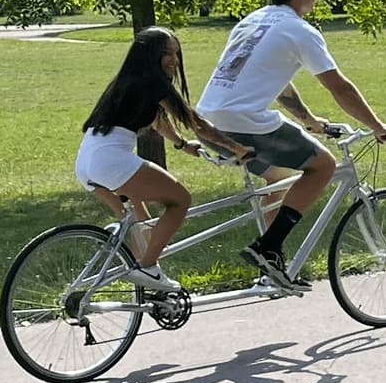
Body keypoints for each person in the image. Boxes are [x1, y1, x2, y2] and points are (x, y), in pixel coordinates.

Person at [197, 0, 386, 292]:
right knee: (323, 166)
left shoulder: (253, 20)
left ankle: (270, 268)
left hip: (207, 121)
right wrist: (377, 126)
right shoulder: (300, 31)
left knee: (277, 179)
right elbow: (339, 87)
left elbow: (276, 83)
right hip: (243, 121)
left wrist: (309, 121)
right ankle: (267, 247)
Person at [75, 27, 254, 293]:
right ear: (150, 55)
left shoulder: (126, 81)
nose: (174, 60)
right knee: (180, 200)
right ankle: (148, 268)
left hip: (87, 161)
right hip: (111, 161)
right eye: (167, 53)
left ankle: (147, 288)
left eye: (176, 53)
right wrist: (237, 148)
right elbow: (196, 123)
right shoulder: (154, 82)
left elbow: (158, 121)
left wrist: (181, 144)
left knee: (140, 225)